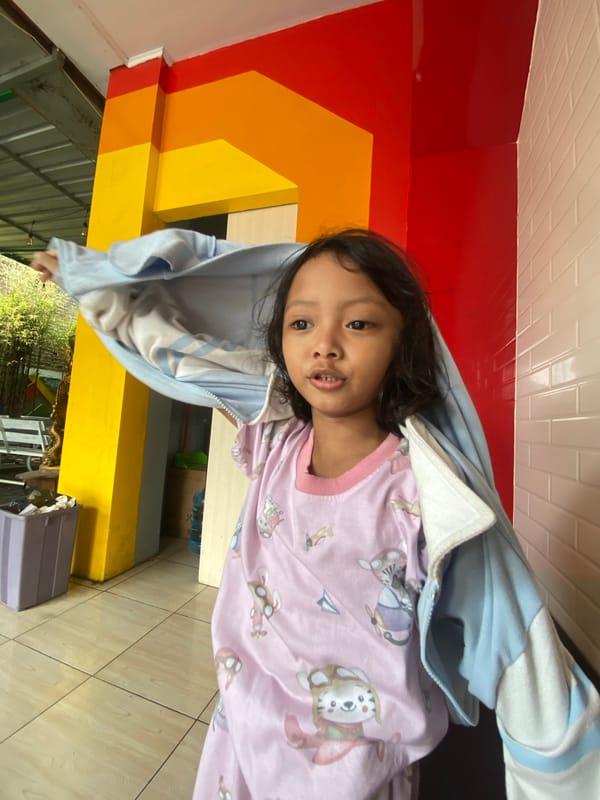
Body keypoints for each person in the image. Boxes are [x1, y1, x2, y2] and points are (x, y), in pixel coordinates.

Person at [32, 229, 600, 799]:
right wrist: (94, 283)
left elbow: (533, 680)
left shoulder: (432, 499)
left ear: (405, 344)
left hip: (354, 784)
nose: (325, 344)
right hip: (238, 752)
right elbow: (179, 354)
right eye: (302, 323)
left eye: (359, 323)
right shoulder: (275, 443)